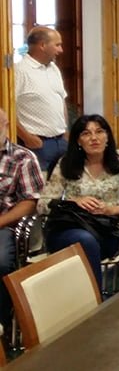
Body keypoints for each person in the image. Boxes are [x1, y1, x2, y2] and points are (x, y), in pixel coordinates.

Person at [39, 115, 119, 282]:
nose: (94, 138)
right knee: (84, 240)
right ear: (78, 141)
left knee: (87, 244)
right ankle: (96, 299)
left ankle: (89, 298)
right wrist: (72, 202)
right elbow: (42, 204)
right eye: (86, 134)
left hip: (109, 230)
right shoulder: (66, 164)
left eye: (99, 132)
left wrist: (115, 209)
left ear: (108, 137)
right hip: (70, 228)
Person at [0, 107, 44, 329]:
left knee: (0, 261)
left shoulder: (22, 157)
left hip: (4, 224)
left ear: (6, 124)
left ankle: (3, 323)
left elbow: (30, 202)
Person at [14, 27, 69, 171]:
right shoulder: (19, 71)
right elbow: (6, 108)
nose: (61, 50)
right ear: (42, 45)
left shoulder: (54, 69)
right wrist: (26, 137)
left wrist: (65, 130)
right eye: (57, 45)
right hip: (37, 144)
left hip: (61, 141)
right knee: (40, 190)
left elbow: (61, 99)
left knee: (65, 186)